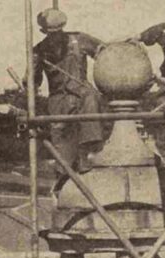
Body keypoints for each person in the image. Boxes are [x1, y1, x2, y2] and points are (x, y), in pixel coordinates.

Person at [29, 8, 107, 173]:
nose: (56, 35)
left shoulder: (80, 39)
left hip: (84, 95)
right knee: (63, 157)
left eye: (58, 31)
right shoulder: (39, 51)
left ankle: (88, 157)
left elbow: (105, 53)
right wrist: (29, 82)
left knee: (90, 139)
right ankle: (62, 183)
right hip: (59, 101)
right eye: (52, 32)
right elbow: (33, 82)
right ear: (44, 31)